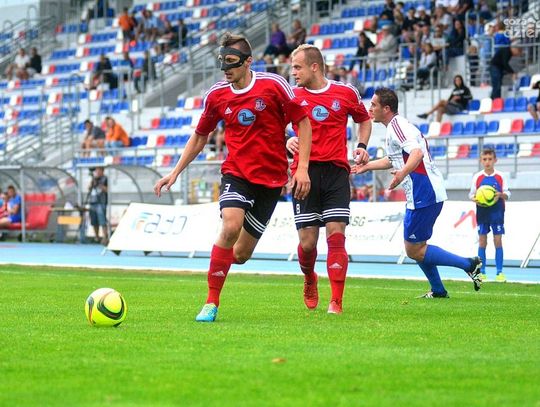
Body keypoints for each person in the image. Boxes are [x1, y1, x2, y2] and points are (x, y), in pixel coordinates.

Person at [153, 32, 312, 322]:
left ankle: (224, 263)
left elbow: (302, 122)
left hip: (271, 180)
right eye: (221, 61)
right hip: (236, 173)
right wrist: (174, 172)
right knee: (230, 226)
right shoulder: (216, 95)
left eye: (231, 61)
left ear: (248, 61)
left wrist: (301, 168)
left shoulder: (274, 85)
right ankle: (211, 303)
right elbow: (200, 137)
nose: (225, 68)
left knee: (239, 255)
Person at [353, 88, 482, 298]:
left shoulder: (397, 126)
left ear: (386, 109)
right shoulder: (395, 127)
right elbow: (393, 159)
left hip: (424, 191)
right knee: (417, 246)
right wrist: (367, 167)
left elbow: (417, 153)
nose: (370, 108)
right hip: (421, 193)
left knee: (413, 249)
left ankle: (469, 264)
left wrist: (401, 174)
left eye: (374, 105)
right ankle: (438, 291)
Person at [286, 44, 372, 314]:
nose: (293, 72)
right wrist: (286, 140)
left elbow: (364, 119)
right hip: (304, 173)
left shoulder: (345, 93)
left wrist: (362, 146)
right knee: (308, 243)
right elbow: (273, 126)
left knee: (336, 235)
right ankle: (309, 277)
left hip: (336, 172)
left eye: (297, 67)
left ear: (314, 67)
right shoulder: (291, 95)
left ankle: (336, 300)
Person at [469, 148, 510, 282]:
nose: (487, 162)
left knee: (497, 241)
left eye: (490, 159)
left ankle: (499, 273)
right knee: (482, 241)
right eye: (485, 159)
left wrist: (500, 195)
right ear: (481, 161)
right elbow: (471, 194)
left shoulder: (500, 176)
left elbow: (508, 193)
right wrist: (475, 199)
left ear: (495, 160)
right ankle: (482, 272)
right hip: (482, 212)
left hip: (497, 212)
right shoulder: (477, 177)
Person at [87, 167, 108, 245]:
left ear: (102, 171)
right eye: (96, 170)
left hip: (101, 202)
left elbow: (107, 189)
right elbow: (89, 188)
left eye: (98, 170)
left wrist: (100, 185)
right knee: (94, 221)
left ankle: (105, 237)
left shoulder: (105, 179)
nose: (97, 172)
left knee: (102, 220)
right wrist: (93, 182)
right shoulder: (94, 179)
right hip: (93, 202)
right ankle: (96, 237)